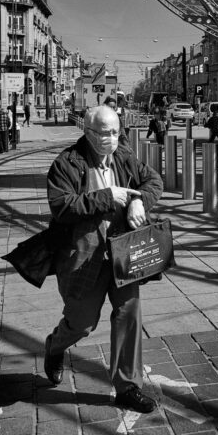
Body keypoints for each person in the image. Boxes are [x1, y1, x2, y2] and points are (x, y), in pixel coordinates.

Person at [44, 105, 163, 413]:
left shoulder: (124, 155)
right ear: (87, 131)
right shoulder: (66, 164)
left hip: (123, 252)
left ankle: (127, 386)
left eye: (115, 132)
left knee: (129, 313)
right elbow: (62, 206)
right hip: (84, 256)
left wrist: (139, 201)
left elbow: (153, 182)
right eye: (104, 133)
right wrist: (109, 196)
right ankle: (55, 345)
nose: (111, 138)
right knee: (82, 323)